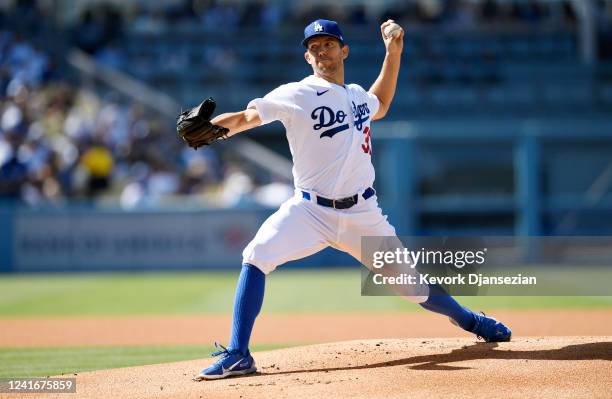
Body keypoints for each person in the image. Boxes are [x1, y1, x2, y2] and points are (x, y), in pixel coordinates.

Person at [194, 19, 511, 381]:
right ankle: (238, 353)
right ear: (307, 56)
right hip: (309, 209)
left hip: (363, 213)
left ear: (343, 51)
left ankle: (472, 320)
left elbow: (383, 102)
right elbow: (248, 117)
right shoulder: (296, 93)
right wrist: (217, 130)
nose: (320, 50)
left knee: (413, 287)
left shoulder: (358, 95)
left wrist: (393, 53)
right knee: (256, 255)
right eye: (314, 46)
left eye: (328, 43)